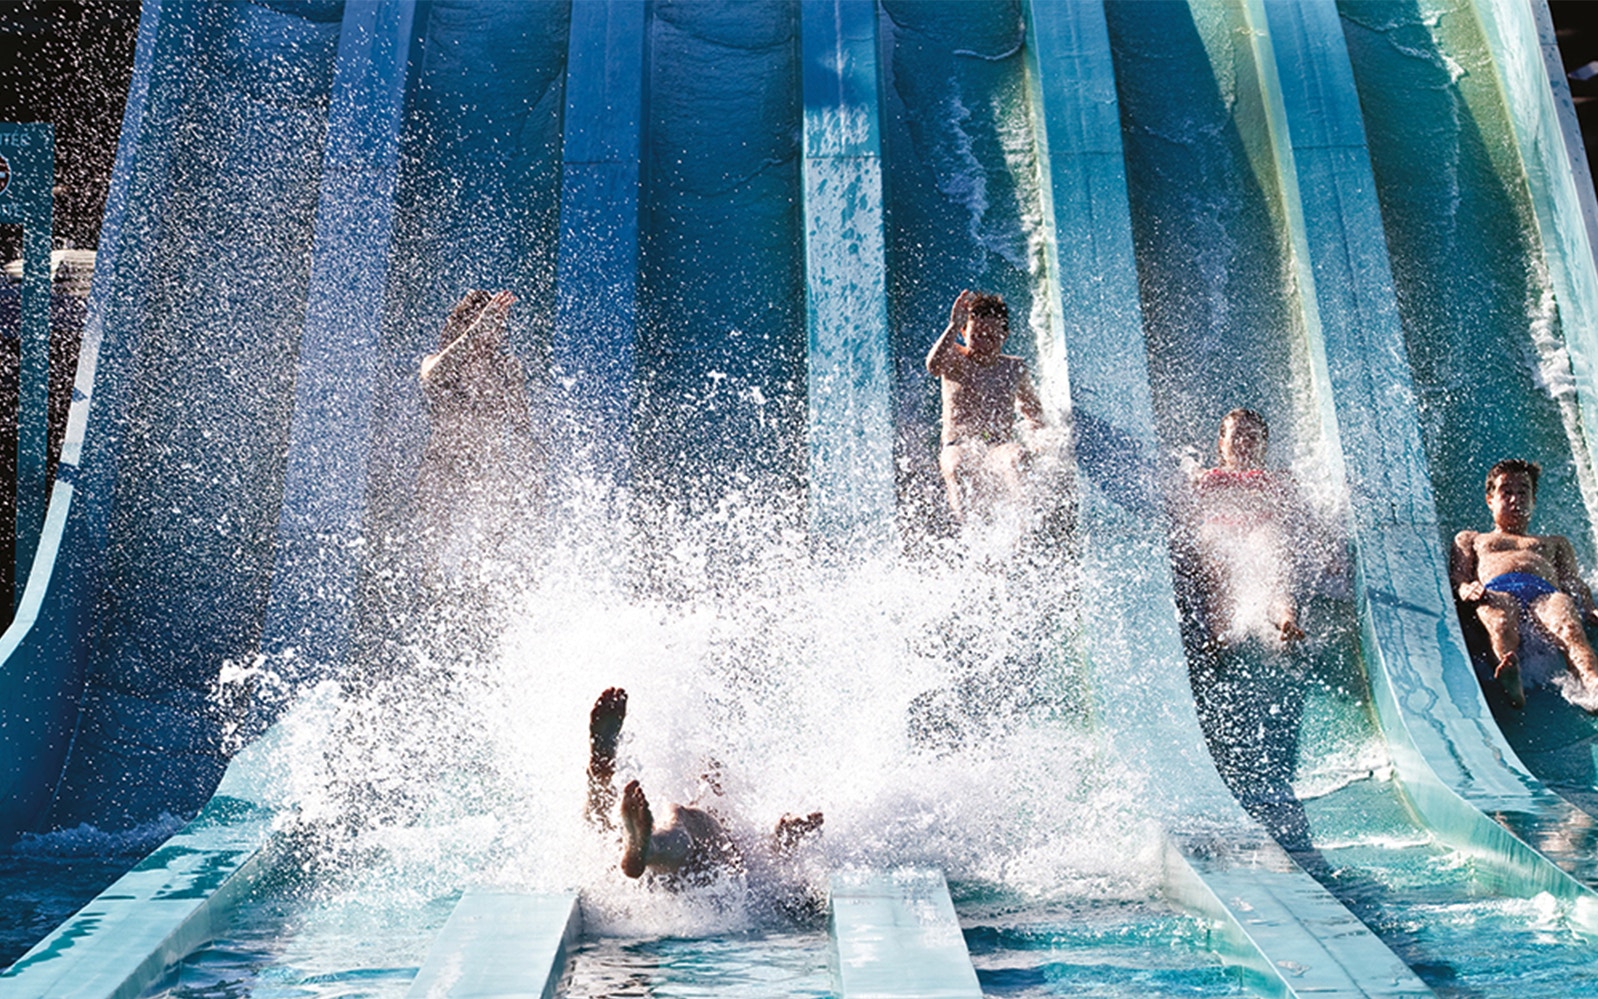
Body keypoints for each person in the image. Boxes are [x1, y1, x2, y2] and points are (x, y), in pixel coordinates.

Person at [585, 687, 824, 883]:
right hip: (698, 874)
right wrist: (786, 835)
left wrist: (787, 833)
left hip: (648, 869)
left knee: (604, 829)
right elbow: (772, 872)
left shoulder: (704, 819)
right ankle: (644, 848)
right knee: (671, 819)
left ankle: (600, 774)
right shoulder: (720, 827)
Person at [413, 289, 542, 585]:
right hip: (443, 473)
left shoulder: (507, 369)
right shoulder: (438, 364)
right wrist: (476, 330)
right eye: (487, 324)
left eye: (497, 325)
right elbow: (431, 375)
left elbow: (523, 430)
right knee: (435, 564)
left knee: (482, 566)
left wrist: (530, 475)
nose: (492, 332)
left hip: (485, 475)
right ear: (464, 327)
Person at [1451, 458, 1598, 709]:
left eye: (1523, 493)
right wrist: (1466, 588)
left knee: (1569, 626)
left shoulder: (1554, 542)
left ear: (1533, 501)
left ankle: (1592, 683)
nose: (1515, 499)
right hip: (1498, 590)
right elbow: (1459, 576)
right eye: (1506, 492)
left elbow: (1573, 581)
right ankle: (1513, 682)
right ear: (1490, 500)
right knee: (1499, 619)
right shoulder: (1473, 539)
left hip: (1545, 593)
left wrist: (1589, 606)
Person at [1179, 408, 1307, 647]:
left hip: (1260, 525)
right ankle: (1220, 634)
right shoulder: (1205, 475)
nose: (1244, 442)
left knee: (1274, 567)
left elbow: (1299, 511)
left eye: (1252, 437)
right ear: (1221, 443)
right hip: (1220, 526)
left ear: (1264, 445)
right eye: (1236, 435)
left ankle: (1286, 621)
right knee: (1220, 572)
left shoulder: (1277, 477)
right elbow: (1186, 506)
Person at [926, 290, 1045, 522]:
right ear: (963, 333)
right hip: (959, 446)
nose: (983, 343)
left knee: (1017, 457)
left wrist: (1040, 443)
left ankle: (1023, 535)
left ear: (1005, 336)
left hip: (996, 448)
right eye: (976, 335)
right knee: (957, 465)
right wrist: (952, 326)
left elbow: (1035, 414)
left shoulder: (1014, 368)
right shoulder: (954, 359)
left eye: (992, 337)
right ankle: (969, 536)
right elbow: (932, 366)